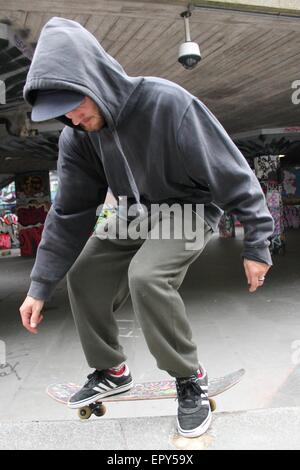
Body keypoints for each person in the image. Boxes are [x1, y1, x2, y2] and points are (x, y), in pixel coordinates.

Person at [19, 17, 273, 438]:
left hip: (191, 206)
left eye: (77, 104)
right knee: (84, 275)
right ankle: (110, 370)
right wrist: (39, 285)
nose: (74, 118)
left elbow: (232, 172)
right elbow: (69, 212)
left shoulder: (167, 103)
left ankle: (189, 379)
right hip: (136, 212)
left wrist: (257, 243)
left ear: (95, 79)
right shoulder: (78, 136)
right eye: (63, 113)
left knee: (147, 277)